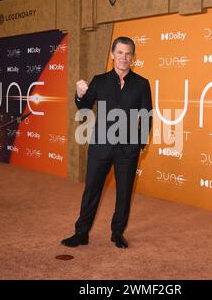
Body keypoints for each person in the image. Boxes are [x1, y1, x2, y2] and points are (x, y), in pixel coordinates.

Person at [61, 37, 153, 249]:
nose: (123, 57)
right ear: (112, 55)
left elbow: (146, 116)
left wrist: (138, 144)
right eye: (119, 52)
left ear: (133, 57)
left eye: (128, 53)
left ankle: (117, 233)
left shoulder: (142, 84)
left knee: (124, 193)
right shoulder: (99, 80)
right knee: (91, 191)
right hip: (100, 146)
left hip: (127, 150)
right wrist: (79, 94)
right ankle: (81, 233)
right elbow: (84, 107)